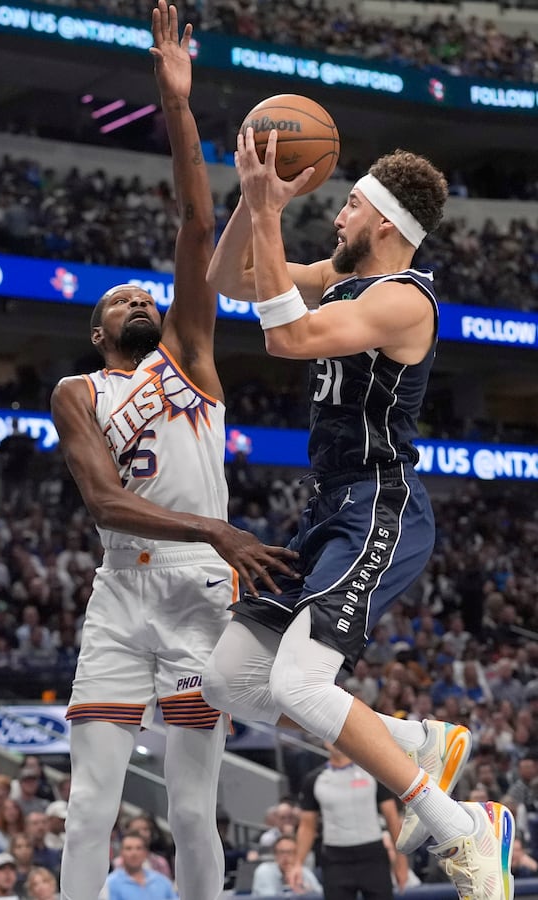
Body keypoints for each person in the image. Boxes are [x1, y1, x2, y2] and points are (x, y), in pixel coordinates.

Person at [202, 133, 515, 900]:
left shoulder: (405, 299)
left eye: (348, 204)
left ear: (383, 223)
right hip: (330, 506)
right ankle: (416, 742)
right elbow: (225, 279)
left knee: (305, 686)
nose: (335, 215)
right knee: (228, 681)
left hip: (382, 503)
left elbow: (285, 337)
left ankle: (466, 827)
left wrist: (274, 212)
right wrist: (253, 198)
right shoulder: (339, 281)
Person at [50, 6, 296, 900]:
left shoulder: (189, 353)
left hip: (198, 593)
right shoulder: (79, 394)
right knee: (87, 809)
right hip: (123, 594)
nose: (134, 298)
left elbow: (197, 226)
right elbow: (106, 502)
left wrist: (177, 104)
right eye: (117, 299)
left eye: (138, 292)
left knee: (194, 811)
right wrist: (216, 529)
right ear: (96, 328)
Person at [295, 742, 408, 900]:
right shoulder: (314, 780)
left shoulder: (372, 773)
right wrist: (297, 864)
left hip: (373, 856)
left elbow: (392, 819)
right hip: (335, 859)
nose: (335, 742)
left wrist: (401, 862)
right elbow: (307, 826)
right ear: (324, 741)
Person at [104, 832, 178, 900]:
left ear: (146, 853)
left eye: (138, 848)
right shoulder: (110, 883)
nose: (134, 853)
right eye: (128, 848)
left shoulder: (162, 881)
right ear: (121, 853)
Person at [250, 835, 322, 897]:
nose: (285, 856)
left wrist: (304, 888)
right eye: (281, 852)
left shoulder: (304, 871)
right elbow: (270, 898)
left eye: (290, 852)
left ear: (297, 855)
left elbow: (320, 894)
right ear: (275, 855)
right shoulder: (264, 870)